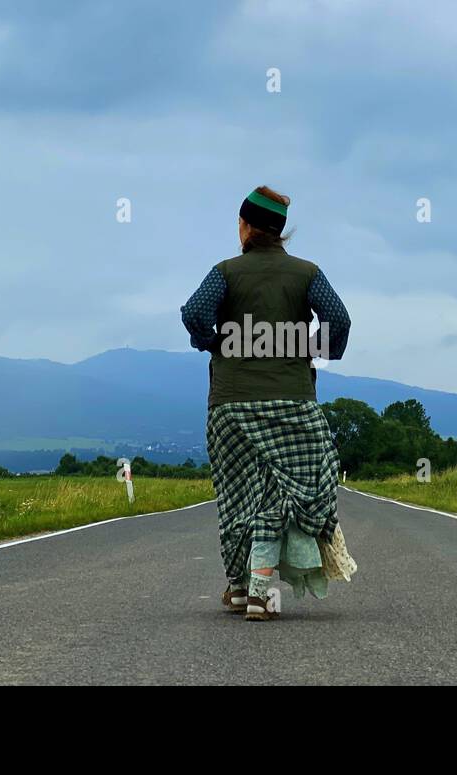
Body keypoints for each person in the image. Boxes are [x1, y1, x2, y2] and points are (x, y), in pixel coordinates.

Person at [180, 186, 352, 621]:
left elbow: (195, 312)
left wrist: (215, 343)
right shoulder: (306, 273)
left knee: (238, 497)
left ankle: (239, 589)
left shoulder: (225, 271)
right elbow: (341, 319)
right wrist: (311, 349)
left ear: (244, 226)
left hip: (230, 405)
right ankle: (258, 592)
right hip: (292, 402)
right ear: (280, 232)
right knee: (280, 497)